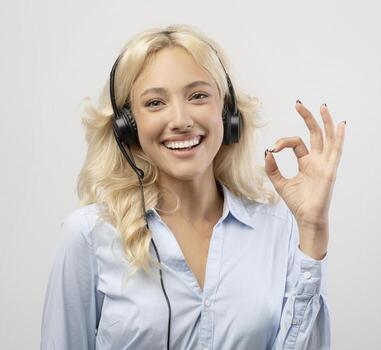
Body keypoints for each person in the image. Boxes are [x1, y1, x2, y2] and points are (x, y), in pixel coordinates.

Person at [40, 24, 346, 350]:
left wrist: (312, 232)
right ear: (127, 127)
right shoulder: (89, 235)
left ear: (227, 113)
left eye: (198, 96)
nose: (181, 119)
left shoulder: (280, 229)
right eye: (155, 103)